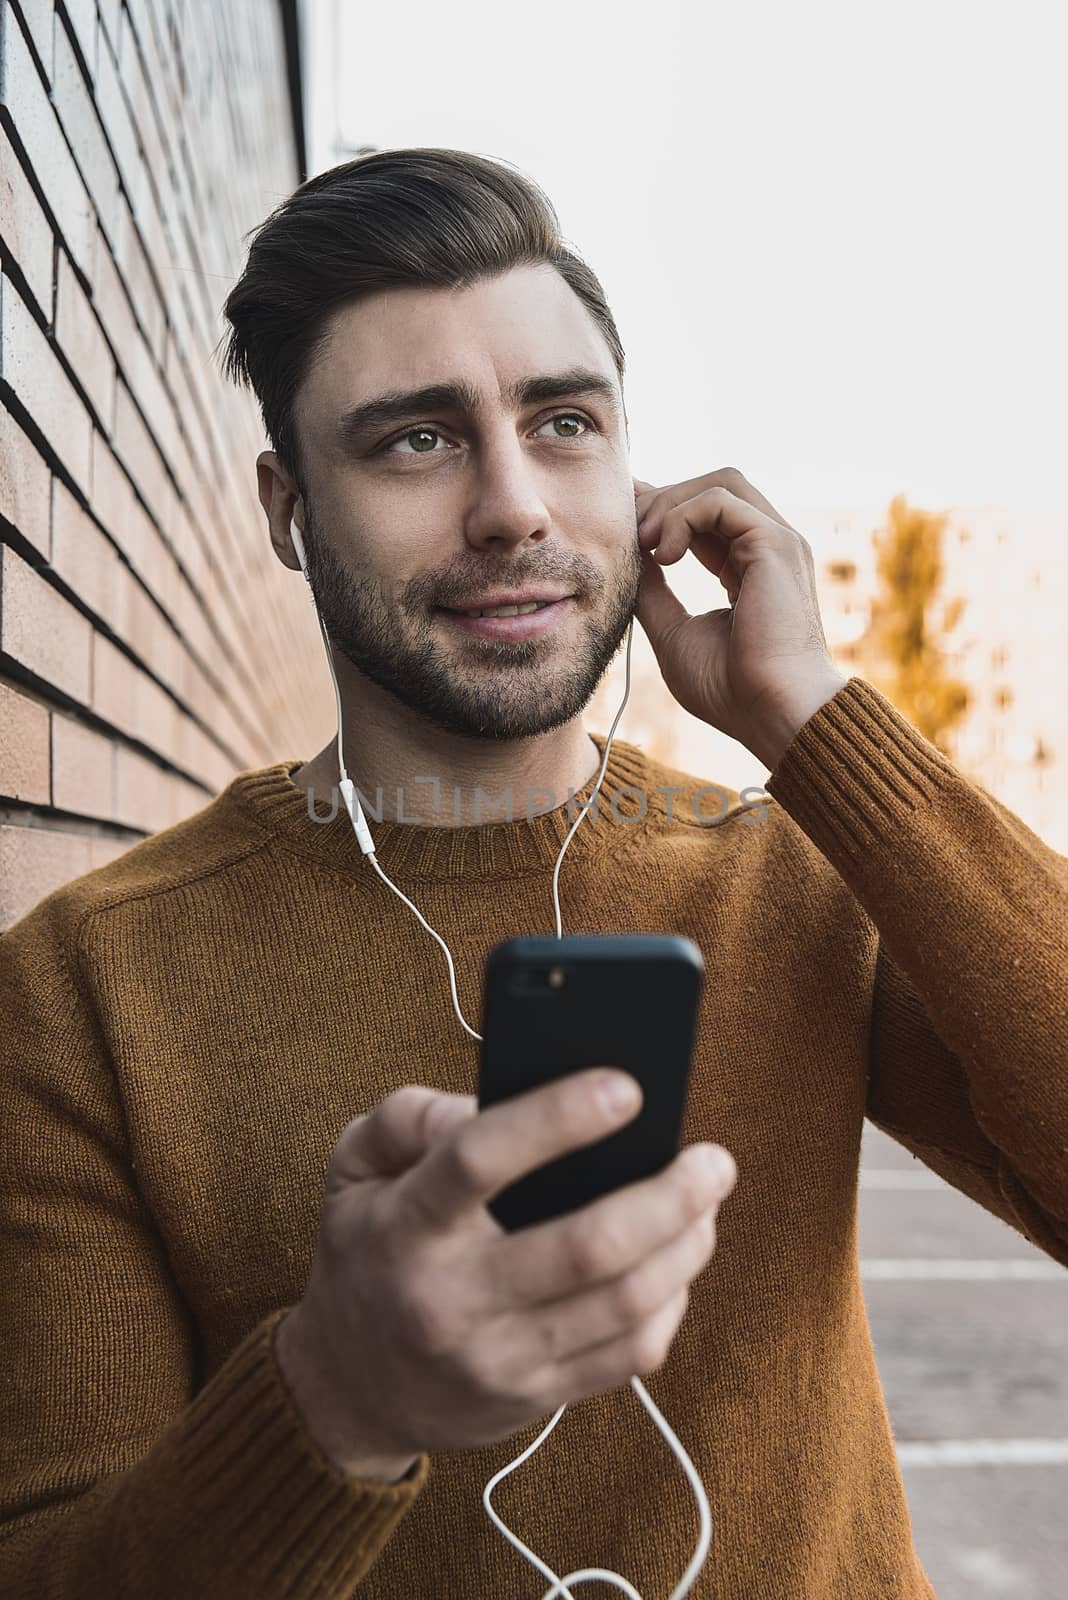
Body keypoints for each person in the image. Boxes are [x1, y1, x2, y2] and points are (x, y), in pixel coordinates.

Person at [1, 147, 1066, 1600]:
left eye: (562, 422)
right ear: (285, 504)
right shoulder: (83, 986)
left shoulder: (795, 873)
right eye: (416, 440)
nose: (513, 505)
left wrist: (813, 721)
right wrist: (337, 1402)